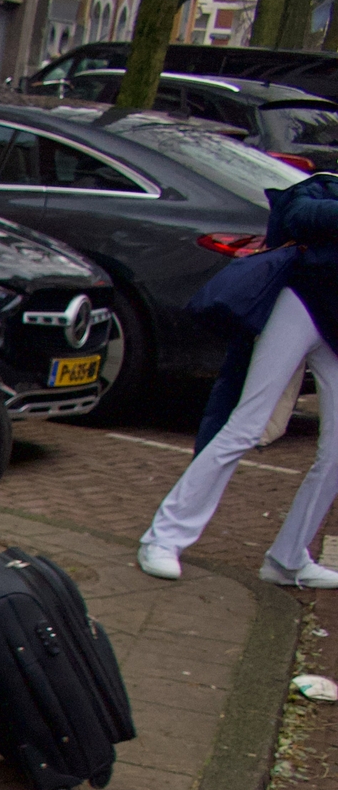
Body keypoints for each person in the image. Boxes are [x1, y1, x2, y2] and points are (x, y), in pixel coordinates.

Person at [136, 173, 338, 589]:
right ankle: (163, 537)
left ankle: (287, 558)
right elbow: (298, 216)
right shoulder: (325, 186)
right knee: (245, 424)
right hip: (301, 304)